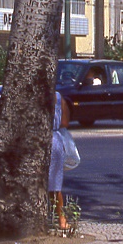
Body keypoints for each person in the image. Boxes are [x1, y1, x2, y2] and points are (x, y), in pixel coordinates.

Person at [49, 91, 72, 231]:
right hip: (54, 140)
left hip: (34, 139)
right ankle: (61, 219)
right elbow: (65, 122)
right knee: (54, 184)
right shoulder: (58, 96)